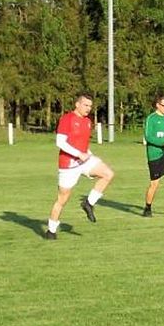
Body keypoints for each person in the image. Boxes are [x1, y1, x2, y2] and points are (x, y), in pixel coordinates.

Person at [46, 93, 116, 239]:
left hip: (84, 161)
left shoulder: (87, 121)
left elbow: (82, 143)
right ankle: (51, 231)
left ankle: (88, 203)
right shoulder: (67, 119)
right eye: (85, 105)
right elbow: (60, 142)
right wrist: (79, 154)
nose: (88, 108)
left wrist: (89, 154)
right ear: (77, 104)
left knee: (108, 174)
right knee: (62, 199)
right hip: (68, 165)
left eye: (90, 106)